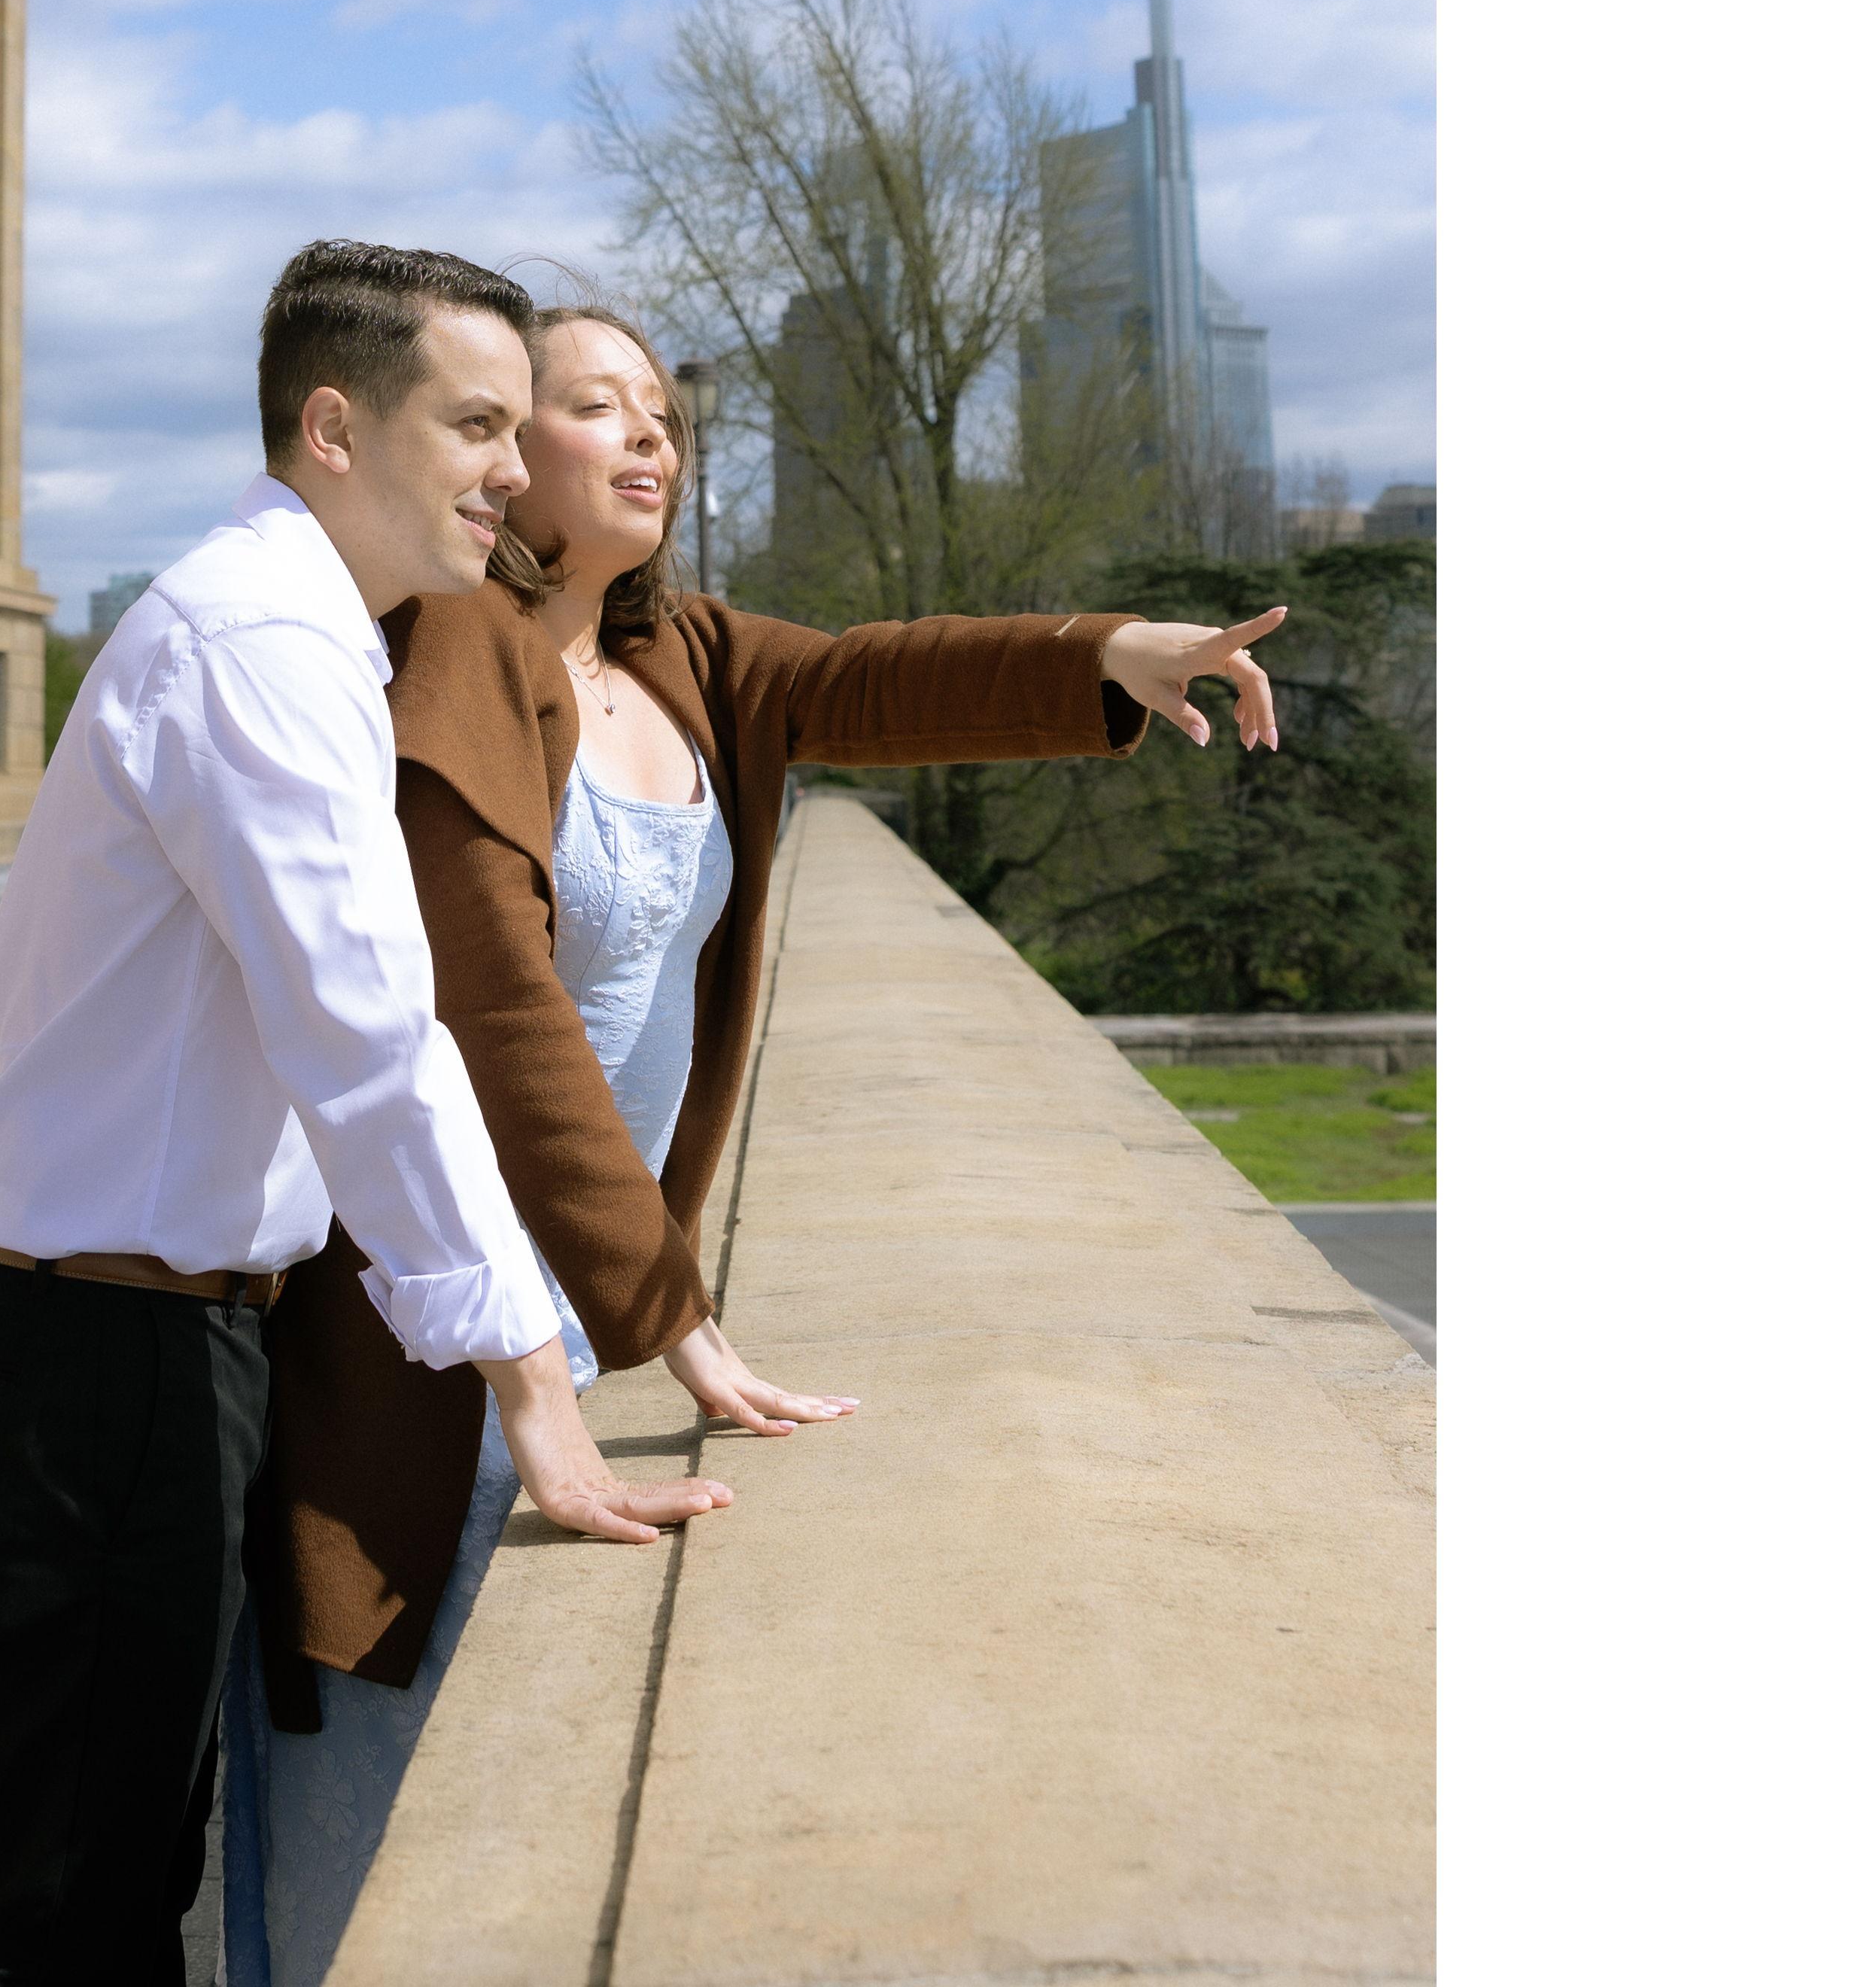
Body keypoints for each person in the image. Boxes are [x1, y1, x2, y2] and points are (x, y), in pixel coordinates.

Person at [224, 303, 1284, 1982]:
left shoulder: (683, 653)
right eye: (596, 406)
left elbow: (873, 673)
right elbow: (501, 1018)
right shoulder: (456, 651)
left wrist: (1110, 650)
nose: (653, 434)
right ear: (501, 448)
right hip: (428, 1329)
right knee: (378, 1805)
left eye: (663, 409)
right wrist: (677, 1313)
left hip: (581, 1323)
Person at [0, 251, 729, 1987]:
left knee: (113, 1893)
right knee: (52, 1933)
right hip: (83, 1366)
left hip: (133, 1351)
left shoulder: (313, 634)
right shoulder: (257, 639)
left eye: (518, 429)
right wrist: (535, 1385)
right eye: (475, 425)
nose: (511, 472)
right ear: (335, 429)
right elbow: (371, 1038)